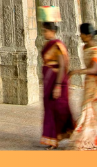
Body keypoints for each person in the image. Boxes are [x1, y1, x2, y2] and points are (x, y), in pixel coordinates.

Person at [38, 21, 73, 149]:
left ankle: (58, 135)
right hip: (49, 81)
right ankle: (52, 138)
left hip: (56, 81)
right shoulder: (48, 44)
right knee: (49, 109)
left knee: (58, 109)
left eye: (45, 31)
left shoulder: (57, 45)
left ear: (52, 31)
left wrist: (58, 85)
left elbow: (62, 65)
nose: (44, 33)